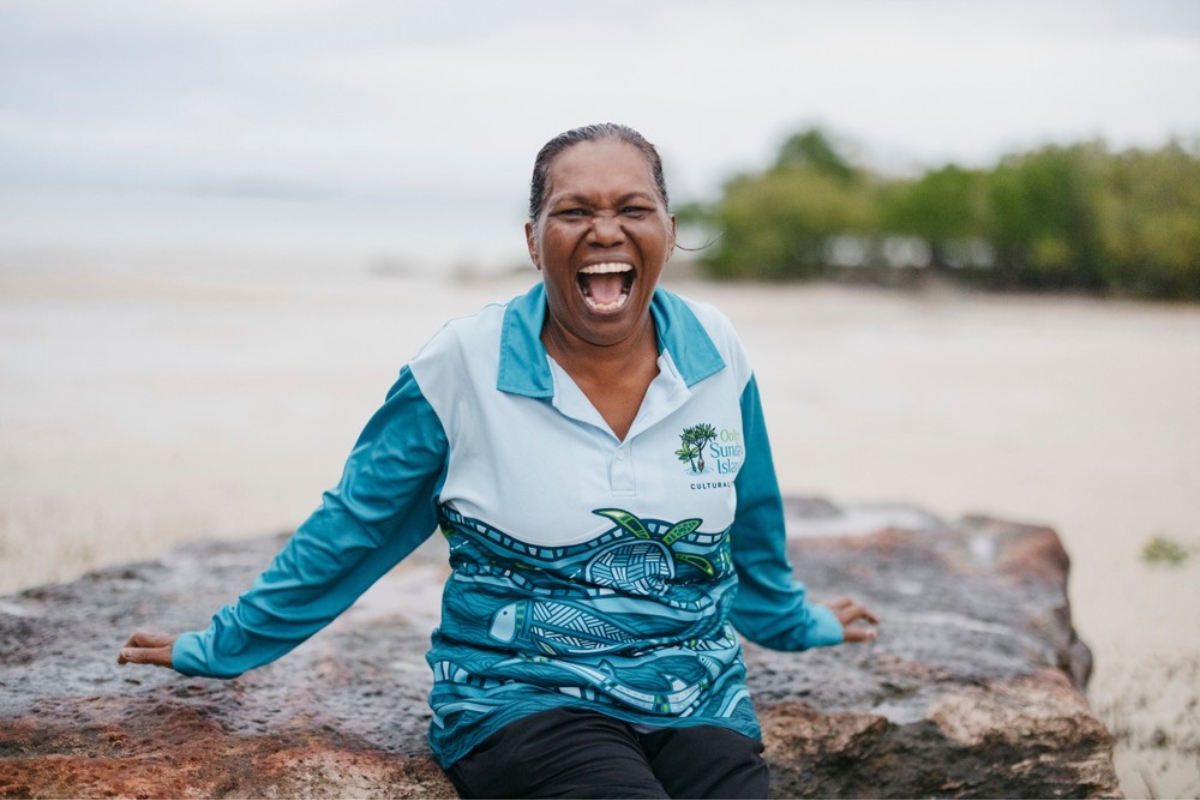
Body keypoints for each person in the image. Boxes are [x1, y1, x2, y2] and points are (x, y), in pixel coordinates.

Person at [119, 123, 879, 799]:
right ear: (531, 238)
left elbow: (750, 523)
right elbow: (356, 526)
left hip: (697, 697)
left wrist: (793, 623)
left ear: (669, 231)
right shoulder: (461, 366)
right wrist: (226, 644)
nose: (605, 230)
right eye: (574, 211)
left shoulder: (717, 351)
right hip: (521, 700)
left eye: (632, 209)